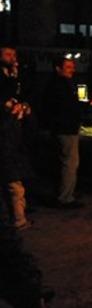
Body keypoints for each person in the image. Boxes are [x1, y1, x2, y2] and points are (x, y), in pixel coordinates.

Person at [43, 58, 87, 209]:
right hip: (65, 129)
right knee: (69, 163)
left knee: (68, 162)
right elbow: (67, 107)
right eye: (68, 67)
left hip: (67, 127)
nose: (72, 70)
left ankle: (66, 193)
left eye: (73, 67)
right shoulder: (58, 85)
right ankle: (65, 197)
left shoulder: (66, 83)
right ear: (58, 68)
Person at [0, 96, 33, 230]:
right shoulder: (7, 124)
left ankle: (12, 218)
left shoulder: (12, 122)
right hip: (8, 161)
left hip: (10, 160)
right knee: (16, 191)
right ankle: (19, 220)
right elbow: (9, 140)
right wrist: (14, 117)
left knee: (14, 190)